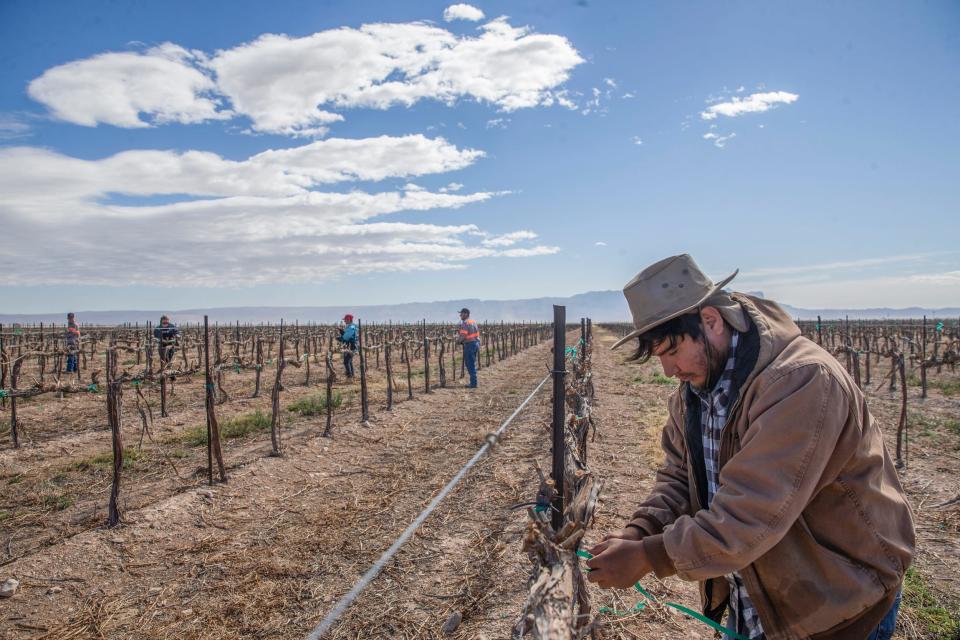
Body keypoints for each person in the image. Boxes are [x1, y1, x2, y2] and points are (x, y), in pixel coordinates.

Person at [587, 254, 914, 640]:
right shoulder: (695, 391)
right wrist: (637, 532)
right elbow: (679, 478)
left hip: (836, 603)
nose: (668, 371)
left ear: (711, 321)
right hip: (760, 599)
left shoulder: (801, 382)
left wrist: (649, 556)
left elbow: (752, 512)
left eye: (672, 352)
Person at [456, 308, 480, 388]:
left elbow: (463, 335)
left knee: (470, 364)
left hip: (470, 345)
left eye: (461, 313)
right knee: (472, 363)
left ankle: (473, 384)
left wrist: (458, 341)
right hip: (475, 343)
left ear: (466, 314)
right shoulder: (473, 322)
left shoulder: (465, 323)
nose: (460, 315)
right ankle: (474, 382)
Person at [337, 314, 358, 378]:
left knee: (346, 362)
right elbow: (346, 334)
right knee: (349, 361)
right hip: (350, 345)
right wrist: (341, 331)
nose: (344, 321)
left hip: (351, 346)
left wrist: (341, 338)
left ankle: (349, 377)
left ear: (349, 320)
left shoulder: (352, 327)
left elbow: (347, 337)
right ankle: (352, 376)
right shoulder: (350, 326)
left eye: (345, 320)